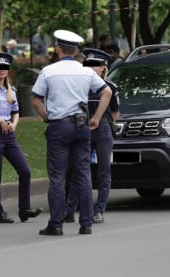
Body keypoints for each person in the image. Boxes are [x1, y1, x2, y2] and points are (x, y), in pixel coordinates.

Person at [31, 30, 112, 236]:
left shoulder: (48, 71)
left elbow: (35, 99)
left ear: (58, 49)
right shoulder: (86, 72)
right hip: (82, 125)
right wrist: (96, 118)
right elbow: (107, 92)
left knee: (57, 176)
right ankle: (86, 224)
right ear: (76, 51)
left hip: (59, 125)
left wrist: (46, 117)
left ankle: (56, 224)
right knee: (83, 174)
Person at [0, 52, 43, 224]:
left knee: (25, 171)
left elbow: (16, 112)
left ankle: (24, 209)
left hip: (9, 135)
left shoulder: (12, 90)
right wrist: (1, 121)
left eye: (5, 68)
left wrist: (14, 125)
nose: (2, 71)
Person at [65, 48, 120, 225]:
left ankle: (99, 210)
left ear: (103, 68)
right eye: (88, 64)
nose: (91, 68)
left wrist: (99, 120)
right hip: (83, 129)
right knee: (79, 170)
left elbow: (115, 114)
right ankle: (70, 209)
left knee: (104, 171)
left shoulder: (110, 87)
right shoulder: (79, 85)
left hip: (102, 129)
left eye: (95, 65)